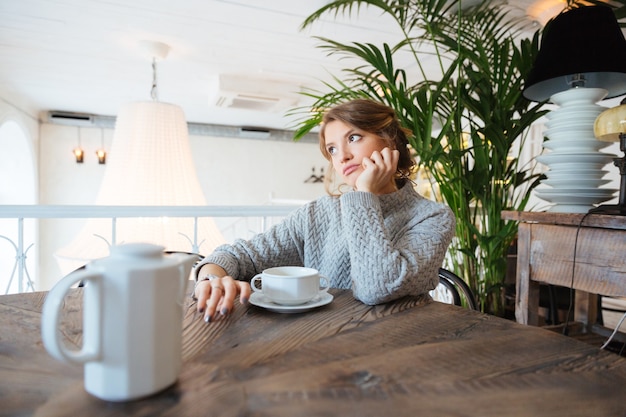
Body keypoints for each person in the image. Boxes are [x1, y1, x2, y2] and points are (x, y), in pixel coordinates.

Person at [193, 99, 456, 322]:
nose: (342, 157)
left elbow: (376, 288)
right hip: (324, 346)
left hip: (402, 350)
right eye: (332, 149)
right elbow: (238, 256)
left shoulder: (432, 218)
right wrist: (210, 279)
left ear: (390, 141)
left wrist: (364, 196)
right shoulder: (317, 214)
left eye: (353, 138)